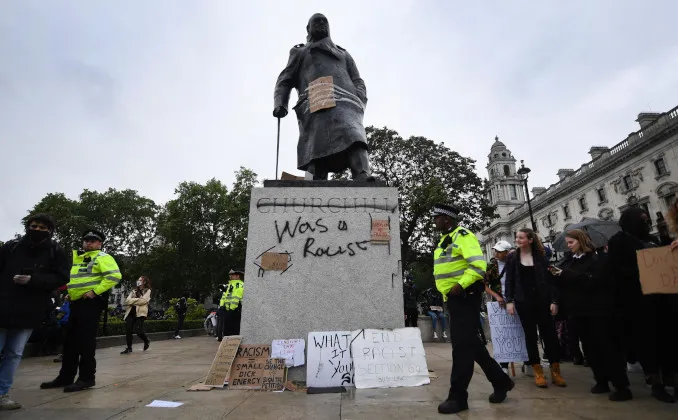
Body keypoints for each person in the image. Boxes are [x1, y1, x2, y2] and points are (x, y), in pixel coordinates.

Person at [432, 204, 513, 415]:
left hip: (465, 296)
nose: (434, 221)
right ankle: (500, 380)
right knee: (471, 344)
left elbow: (478, 266)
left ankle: (458, 397)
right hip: (455, 299)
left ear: (447, 219)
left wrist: (460, 286)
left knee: (461, 348)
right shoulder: (444, 239)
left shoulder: (463, 236)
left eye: (437, 217)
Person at [273, 13, 374, 181]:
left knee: (354, 135)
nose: (321, 23)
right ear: (308, 28)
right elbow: (285, 79)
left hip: (347, 102)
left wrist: (359, 96)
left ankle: (362, 173)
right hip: (317, 99)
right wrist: (280, 103)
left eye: (324, 21)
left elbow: (357, 79)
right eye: (316, 21)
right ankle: (316, 181)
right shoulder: (300, 52)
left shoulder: (343, 54)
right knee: (316, 144)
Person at [0, 214, 70, 410]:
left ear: (49, 231)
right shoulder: (10, 247)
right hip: (3, 306)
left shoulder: (55, 252)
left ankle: (2, 393)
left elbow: (61, 278)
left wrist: (33, 280)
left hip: (29, 311)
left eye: (42, 227)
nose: (37, 229)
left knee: (14, 354)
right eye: (34, 226)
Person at [608, 206, 675, 402]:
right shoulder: (619, 241)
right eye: (642, 220)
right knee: (646, 344)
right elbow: (616, 270)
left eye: (647, 219)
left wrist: (666, 240)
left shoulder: (653, 240)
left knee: (665, 342)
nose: (646, 223)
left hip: (660, 300)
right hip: (635, 302)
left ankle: (669, 379)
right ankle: (655, 383)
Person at [554, 229, 631, 401]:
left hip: (598, 310)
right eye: (567, 243)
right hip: (578, 311)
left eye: (571, 242)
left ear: (581, 241)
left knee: (607, 347)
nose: (569, 246)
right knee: (590, 348)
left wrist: (567, 274)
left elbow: (593, 281)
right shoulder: (569, 262)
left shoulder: (598, 259)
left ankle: (621, 385)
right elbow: (565, 283)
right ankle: (601, 379)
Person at [41, 229, 121, 393]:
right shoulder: (79, 258)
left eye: (92, 240)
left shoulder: (103, 257)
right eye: (86, 240)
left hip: (90, 303)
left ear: (100, 243)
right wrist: (70, 294)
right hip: (76, 303)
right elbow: (76, 280)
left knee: (85, 342)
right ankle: (65, 377)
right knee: (69, 342)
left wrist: (95, 291)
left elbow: (114, 276)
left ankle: (86, 378)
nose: (88, 243)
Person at [505, 228, 566, 388]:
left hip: (543, 300)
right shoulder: (512, 258)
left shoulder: (541, 257)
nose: (517, 240)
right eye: (516, 237)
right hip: (524, 301)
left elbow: (551, 280)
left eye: (521, 237)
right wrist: (509, 300)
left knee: (550, 335)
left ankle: (555, 370)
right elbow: (509, 281)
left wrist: (554, 300)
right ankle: (537, 371)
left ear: (530, 240)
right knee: (530, 336)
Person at [484, 240, 512, 373]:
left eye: (499, 251)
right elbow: (485, 285)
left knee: (518, 332)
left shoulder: (514, 264)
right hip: (499, 302)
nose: (496, 253)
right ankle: (504, 364)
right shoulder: (492, 266)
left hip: (515, 301)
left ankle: (528, 361)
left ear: (507, 252)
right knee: (502, 333)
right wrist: (497, 296)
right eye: (495, 251)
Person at [120, 276, 151, 354]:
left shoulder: (147, 291)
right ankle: (129, 348)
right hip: (130, 312)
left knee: (138, 331)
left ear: (144, 282)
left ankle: (146, 340)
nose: (138, 281)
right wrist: (137, 300)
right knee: (128, 329)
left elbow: (143, 301)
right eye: (138, 280)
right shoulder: (134, 290)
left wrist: (133, 301)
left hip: (140, 313)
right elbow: (127, 300)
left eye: (140, 280)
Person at [223, 269, 244, 337]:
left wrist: (232, 308)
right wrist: (222, 306)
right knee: (227, 329)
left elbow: (237, 297)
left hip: (235, 309)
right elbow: (225, 296)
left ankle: (232, 345)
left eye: (232, 275)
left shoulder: (240, 284)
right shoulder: (229, 285)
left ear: (238, 276)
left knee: (234, 329)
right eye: (230, 275)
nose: (230, 276)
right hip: (228, 309)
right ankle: (227, 345)